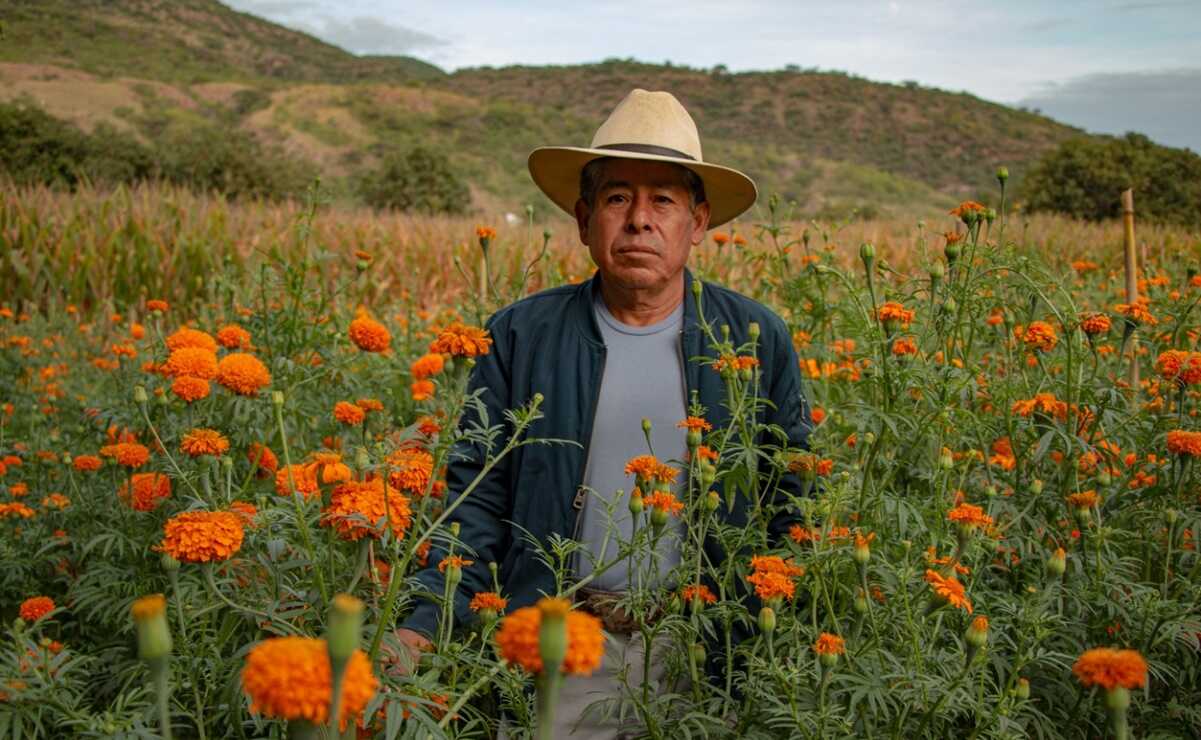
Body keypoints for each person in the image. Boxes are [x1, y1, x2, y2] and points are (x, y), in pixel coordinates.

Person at [389, 89, 812, 737]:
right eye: (617, 198)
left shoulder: (754, 337)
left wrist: (784, 633)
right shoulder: (521, 335)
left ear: (697, 222)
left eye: (663, 200)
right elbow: (475, 493)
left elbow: (793, 496)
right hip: (560, 642)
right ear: (585, 218)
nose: (639, 219)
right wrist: (424, 623)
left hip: (705, 651)